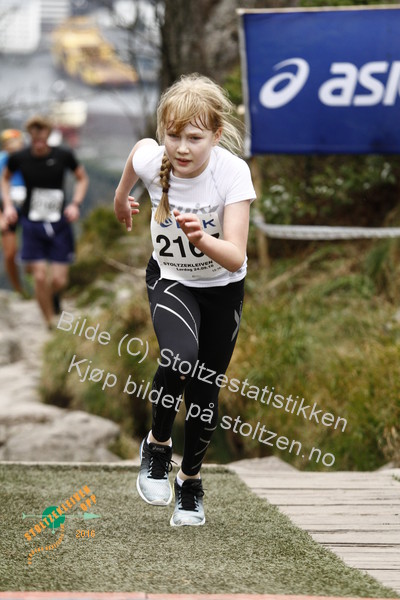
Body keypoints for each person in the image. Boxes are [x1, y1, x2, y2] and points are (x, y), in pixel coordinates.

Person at [114, 73, 256, 527]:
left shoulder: (232, 173)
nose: (182, 148)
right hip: (171, 279)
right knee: (179, 359)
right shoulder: (154, 159)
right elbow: (138, 151)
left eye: (194, 138)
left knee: (204, 391)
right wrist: (121, 199)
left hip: (222, 290)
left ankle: (190, 482)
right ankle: (157, 446)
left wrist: (202, 239)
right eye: (173, 136)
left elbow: (235, 257)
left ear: (216, 134)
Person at [1, 115, 89, 328]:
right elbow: (5, 178)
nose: (38, 140)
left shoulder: (64, 155)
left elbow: (82, 178)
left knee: (59, 280)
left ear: (48, 134)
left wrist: (75, 204)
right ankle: (50, 321)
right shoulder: (19, 157)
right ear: (30, 136)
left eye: (42, 135)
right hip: (31, 223)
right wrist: (8, 206)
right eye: (34, 136)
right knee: (39, 276)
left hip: (59, 223)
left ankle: (51, 296)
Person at [0, 129, 27, 296]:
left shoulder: (29, 160)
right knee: (10, 253)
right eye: (9, 143)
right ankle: (18, 289)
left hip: (28, 208)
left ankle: (36, 286)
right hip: (6, 208)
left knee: (33, 252)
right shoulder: (1, 161)